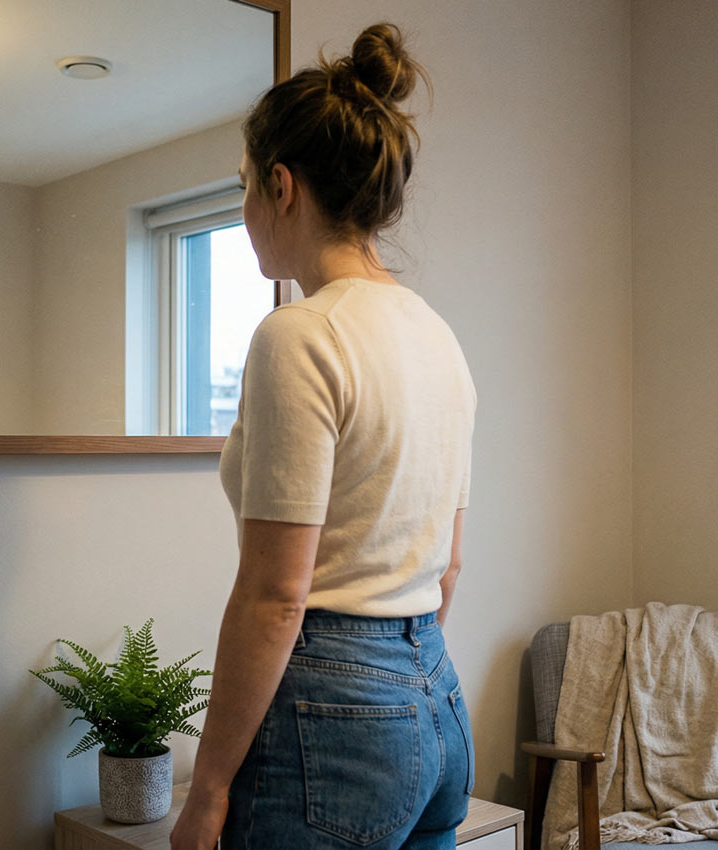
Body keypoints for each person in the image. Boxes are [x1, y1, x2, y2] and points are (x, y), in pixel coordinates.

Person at [170, 22, 476, 850]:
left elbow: (277, 596)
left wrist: (205, 793)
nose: (243, 212)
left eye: (243, 187)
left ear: (280, 184)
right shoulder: (439, 338)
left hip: (332, 713)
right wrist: (398, 686)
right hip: (438, 704)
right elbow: (447, 568)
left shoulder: (299, 335)